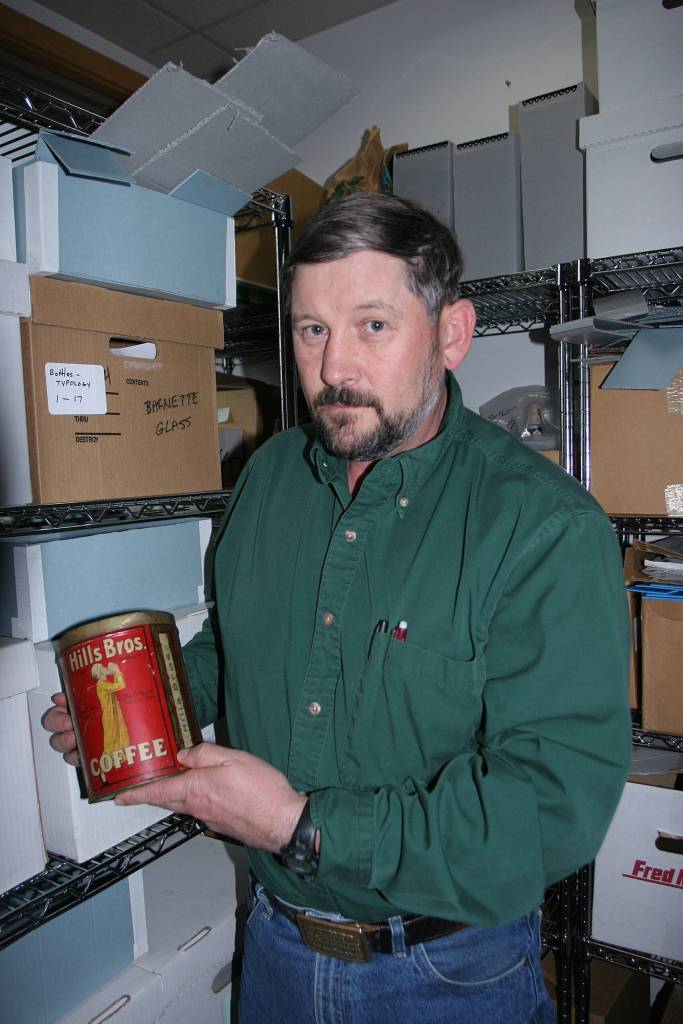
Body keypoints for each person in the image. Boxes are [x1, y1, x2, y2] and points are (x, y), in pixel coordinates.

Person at [44, 193, 632, 1023]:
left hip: (448, 972)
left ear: (452, 334)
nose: (333, 368)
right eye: (311, 329)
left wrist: (301, 826)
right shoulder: (272, 475)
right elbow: (238, 646)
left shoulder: (542, 527)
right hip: (278, 948)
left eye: (372, 326)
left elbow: (551, 811)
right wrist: (141, 697)